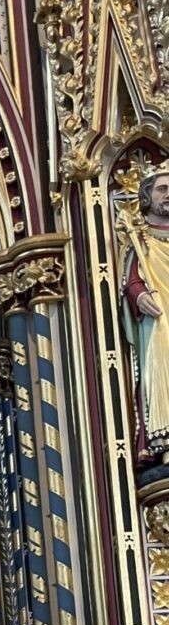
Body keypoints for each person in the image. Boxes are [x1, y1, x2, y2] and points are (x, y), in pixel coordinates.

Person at [122, 169, 169, 464]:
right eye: (162, 189)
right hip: (160, 322)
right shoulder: (140, 241)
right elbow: (132, 278)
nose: (168, 194)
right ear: (147, 196)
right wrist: (139, 295)